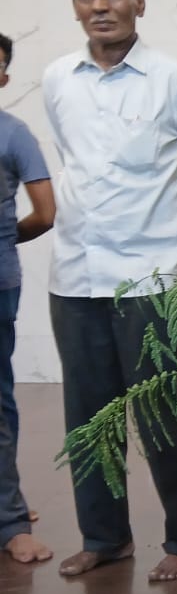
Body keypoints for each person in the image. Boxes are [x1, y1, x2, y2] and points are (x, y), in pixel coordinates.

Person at [42, 0, 177, 582]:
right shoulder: (58, 80)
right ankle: (105, 536)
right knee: (88, 419)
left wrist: (159, 220)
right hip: (74, 276)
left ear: (138, 2)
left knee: (164, 416)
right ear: (75, 6)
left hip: (151, 280)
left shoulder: (176, 82)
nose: (101, 6)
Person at [0, 33, 56, 565]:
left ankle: (10, 522)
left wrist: (3, 239)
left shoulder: (14, 135)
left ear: (4, 78)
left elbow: (45, 213)